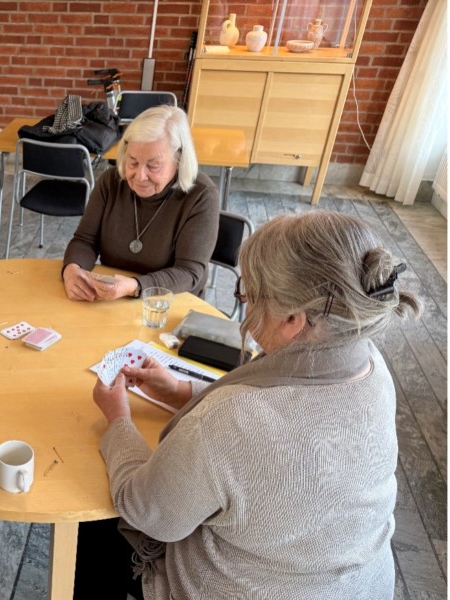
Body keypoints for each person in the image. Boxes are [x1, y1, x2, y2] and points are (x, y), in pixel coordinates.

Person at [83, 210, 419, 599]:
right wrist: (182, 392)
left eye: (250, 293)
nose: (245, 303)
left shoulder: (232, 419)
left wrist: (118, 419)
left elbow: (150, 512)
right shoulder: (371, 364)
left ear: (293, 318)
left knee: (94, 524)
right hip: (357, 586)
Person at [62, 105, 218, 301]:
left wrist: (135, 286)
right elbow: (85, 240)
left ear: (179, 161)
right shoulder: (111, 182)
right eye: (133, 162)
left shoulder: (201, 195)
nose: (140, 176)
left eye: (153, 166)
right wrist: (72, 269)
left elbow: (188, 272)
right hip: (114, 300)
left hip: (171, 302)